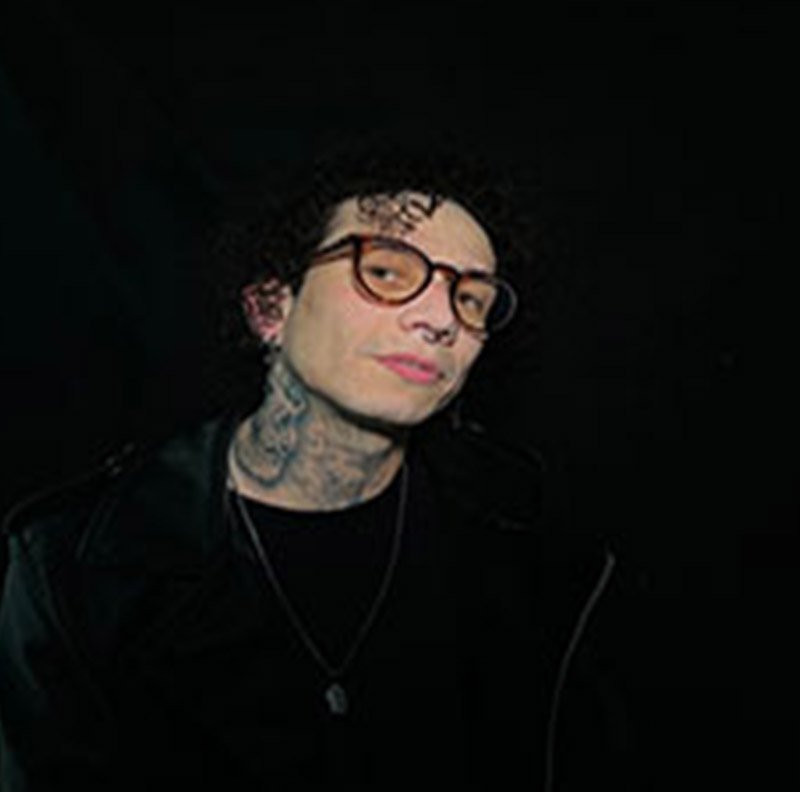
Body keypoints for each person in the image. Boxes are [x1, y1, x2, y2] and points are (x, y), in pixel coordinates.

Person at [0, 136, 632, 790]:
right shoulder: (78, 562)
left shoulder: (525, 565)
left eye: (471, 298)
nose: (440, 319)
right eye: (386, 272)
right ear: (270, 309)